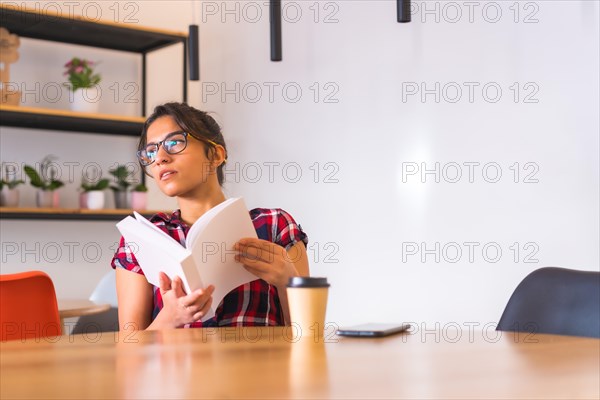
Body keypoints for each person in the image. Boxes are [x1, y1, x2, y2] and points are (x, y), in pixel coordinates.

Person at [111, 102, 309, 330]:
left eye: (174, 142)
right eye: (151, 151)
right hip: (178, 367)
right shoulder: (143, 239)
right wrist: (170, 318)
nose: (160, 158)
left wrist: (287, 280)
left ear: (216, 155)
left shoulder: (275, 225)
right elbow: (129, 349)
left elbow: (309, 334)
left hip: (262, 365)